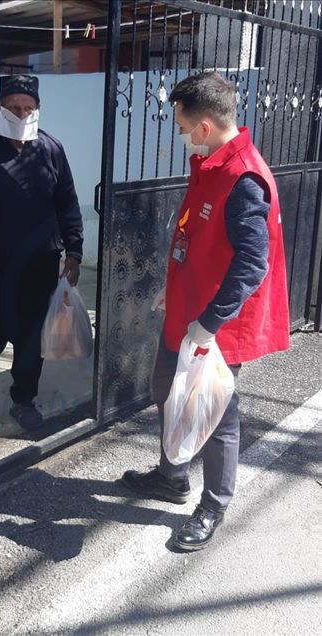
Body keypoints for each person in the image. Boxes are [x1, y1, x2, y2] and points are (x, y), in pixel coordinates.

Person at [121, 71, 290, 551]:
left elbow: (253, 263)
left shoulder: (243, 179)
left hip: (217, 324)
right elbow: (197, 236)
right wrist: (172, 290)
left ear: (203, 127)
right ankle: (171, 477)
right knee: (165, 388)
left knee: (216, 414)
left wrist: (210, 323)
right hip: (186, 308)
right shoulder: (212, 164)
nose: (180, 135)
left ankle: (213, 505)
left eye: (181, 126)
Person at [0, 75, 83, 444]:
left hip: (38, 267)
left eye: (28, 108)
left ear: (37, 109)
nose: (21, 114)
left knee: (30, 341)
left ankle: (23, 400)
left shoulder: (50, 149)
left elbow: (67, 203)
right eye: (13, 108)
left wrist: (74, 251)